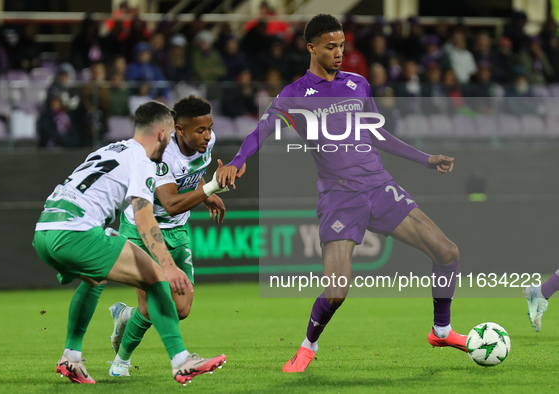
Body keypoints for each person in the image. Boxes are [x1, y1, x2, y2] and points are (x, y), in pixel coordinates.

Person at [216, 14, 464, 373]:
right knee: (336, 289)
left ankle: (441, 329)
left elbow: (377, 133)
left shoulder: (358, 84)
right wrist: (239, 161)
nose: (339, 53)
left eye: (342, 46)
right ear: (311, 47)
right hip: (340, 197)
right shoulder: (295, 94)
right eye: (331, 46)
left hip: (379, 187)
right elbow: (262, 129)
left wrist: (424, 159)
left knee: (447, 252)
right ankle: (307, 345)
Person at [32, 100, 227, 385]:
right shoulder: (144, 162)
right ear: (162, 132)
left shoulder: (109, 150)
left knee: (94, 280)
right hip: (76, 232)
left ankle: (71, 357)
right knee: (155, 277)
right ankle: (181, 361)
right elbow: (145, 218)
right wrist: (169, 267)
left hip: (45, 230)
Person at [104, 95, 228, 377]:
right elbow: (170, 203)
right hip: (143, 230)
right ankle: (120, 363)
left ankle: (124, 316)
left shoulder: (206, 141)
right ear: (179, 130)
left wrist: (203, 194)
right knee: (150, 306)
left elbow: (192, 173)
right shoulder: (161, 154)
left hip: (178, 229)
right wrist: (209, 189)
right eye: (200, 130)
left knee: (181, 309)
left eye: (209, 128)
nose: (207, 135)